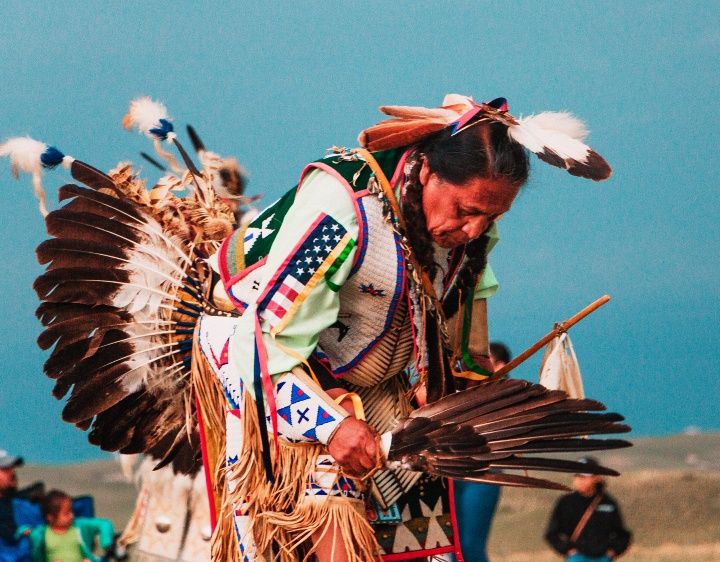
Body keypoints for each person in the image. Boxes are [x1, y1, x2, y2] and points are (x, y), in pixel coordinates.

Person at [17, 93, 621, 562]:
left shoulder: (467, 232)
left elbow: (460, 315)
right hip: (260, 366)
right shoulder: (340, 212)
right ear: (430, 173)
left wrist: (455, 388)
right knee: (328, 502)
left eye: (492, 216)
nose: (473, 228)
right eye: (466, 211)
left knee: (422, 500)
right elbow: (260, 338)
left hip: (368, 385)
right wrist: (331, 426)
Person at [453, 342, 512, 562]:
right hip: (450, 470)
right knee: (449, 544)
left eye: (487, 361)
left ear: (500, 366)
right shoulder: (460, 388)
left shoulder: (506, 396)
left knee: (470, 545)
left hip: (483, 474)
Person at [545, 457, 632, 561]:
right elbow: (552, 533)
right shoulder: (566, 502)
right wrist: (567, 549)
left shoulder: (608, 502)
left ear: (596, 477)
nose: (580, 480)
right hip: (578, 557)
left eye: (584, 477)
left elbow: (622, 534)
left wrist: (613, 551)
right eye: (578, 476)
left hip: (602, 557)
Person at [24, 490, 114, 562]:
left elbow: (105, 524)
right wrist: (24, 531)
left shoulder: (79, 526)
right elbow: (22, 533)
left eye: (72, 511)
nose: (72, 515)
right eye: (66, 513)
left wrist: (106, 543)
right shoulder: (42, 533)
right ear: (50, 517)